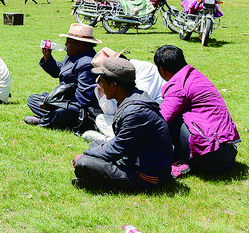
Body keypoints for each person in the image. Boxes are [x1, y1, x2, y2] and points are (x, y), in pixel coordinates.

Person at [71, 56, 173, 192]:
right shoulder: (132, 98)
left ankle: (99, 184)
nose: (100, 86)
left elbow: (117, 149)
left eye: (102, 82)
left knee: (84, 163)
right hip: (132, 159)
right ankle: (94, 180)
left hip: (146, 177)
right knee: (96, 145)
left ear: (114, 85)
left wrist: (86, 155)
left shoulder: (136, 111)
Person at [154, 45, 240, 177]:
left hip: (214, 158)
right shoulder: (193, 75)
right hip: (227, 152)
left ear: (162, 69)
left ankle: (169, 159)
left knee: (161, 118)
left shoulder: (178, 85)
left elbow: (160, 122)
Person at [24, 23, 101, 131]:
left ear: (80, 44)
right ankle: (53, 117)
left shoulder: (87, 63)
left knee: (62, 112)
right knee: (32, 99)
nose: (65, 44)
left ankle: (43, 121)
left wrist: (57, 101)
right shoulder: (73, 55)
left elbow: (84, 98)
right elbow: (58, 71)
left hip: (78, 107)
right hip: (63, 101)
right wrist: (48, 57)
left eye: (68, 41)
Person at [83, 47, 166, 142]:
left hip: (155, 108)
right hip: (129, 114)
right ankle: (117, 138)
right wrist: (102, 92)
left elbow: (141, 104)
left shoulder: (144, 69)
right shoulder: (109, 83)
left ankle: (114, 139)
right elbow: (110, 112)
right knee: (101, 119)